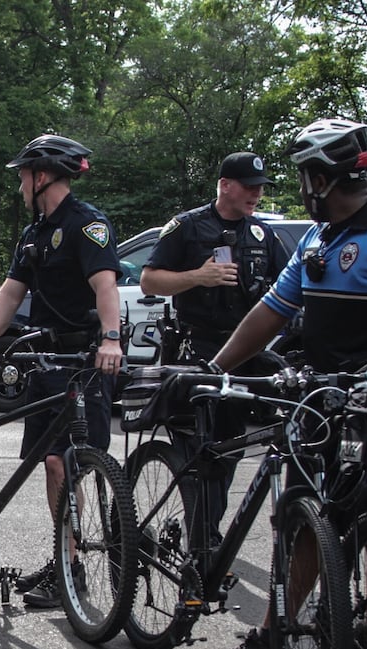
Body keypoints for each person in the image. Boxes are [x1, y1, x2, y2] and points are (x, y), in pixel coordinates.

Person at [197, 118, 367, 649]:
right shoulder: (319, 241)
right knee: (307, 521)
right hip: (322, 399)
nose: (298, 187)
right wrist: (215, 369)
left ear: (322, 178)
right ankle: (275, 639)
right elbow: (270, 312)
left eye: (303, 176)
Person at [0, 134, 123, 610]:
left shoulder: (86, 224)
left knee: (66, 462)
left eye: (23, 176)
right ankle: (65, 561)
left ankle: (71, 566)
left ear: (41, 176)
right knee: (50, 463)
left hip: (83, 362)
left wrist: (111, 339)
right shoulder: (34, 233)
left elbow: (104, 284)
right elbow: (9, 294)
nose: (20, 186)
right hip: (45, 363)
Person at [140, 150, 290, 533]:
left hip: (243, 354)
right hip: (196, 352)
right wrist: (198, 277)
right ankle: (202, 537)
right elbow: (150, 281)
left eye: (260, 188)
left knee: (228, 451)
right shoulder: (187, 227)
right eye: (249, 187)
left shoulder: (262, 234)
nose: (256, 194)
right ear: (225, 185)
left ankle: (206, 531)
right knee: (196, 451)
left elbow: (289, 288)